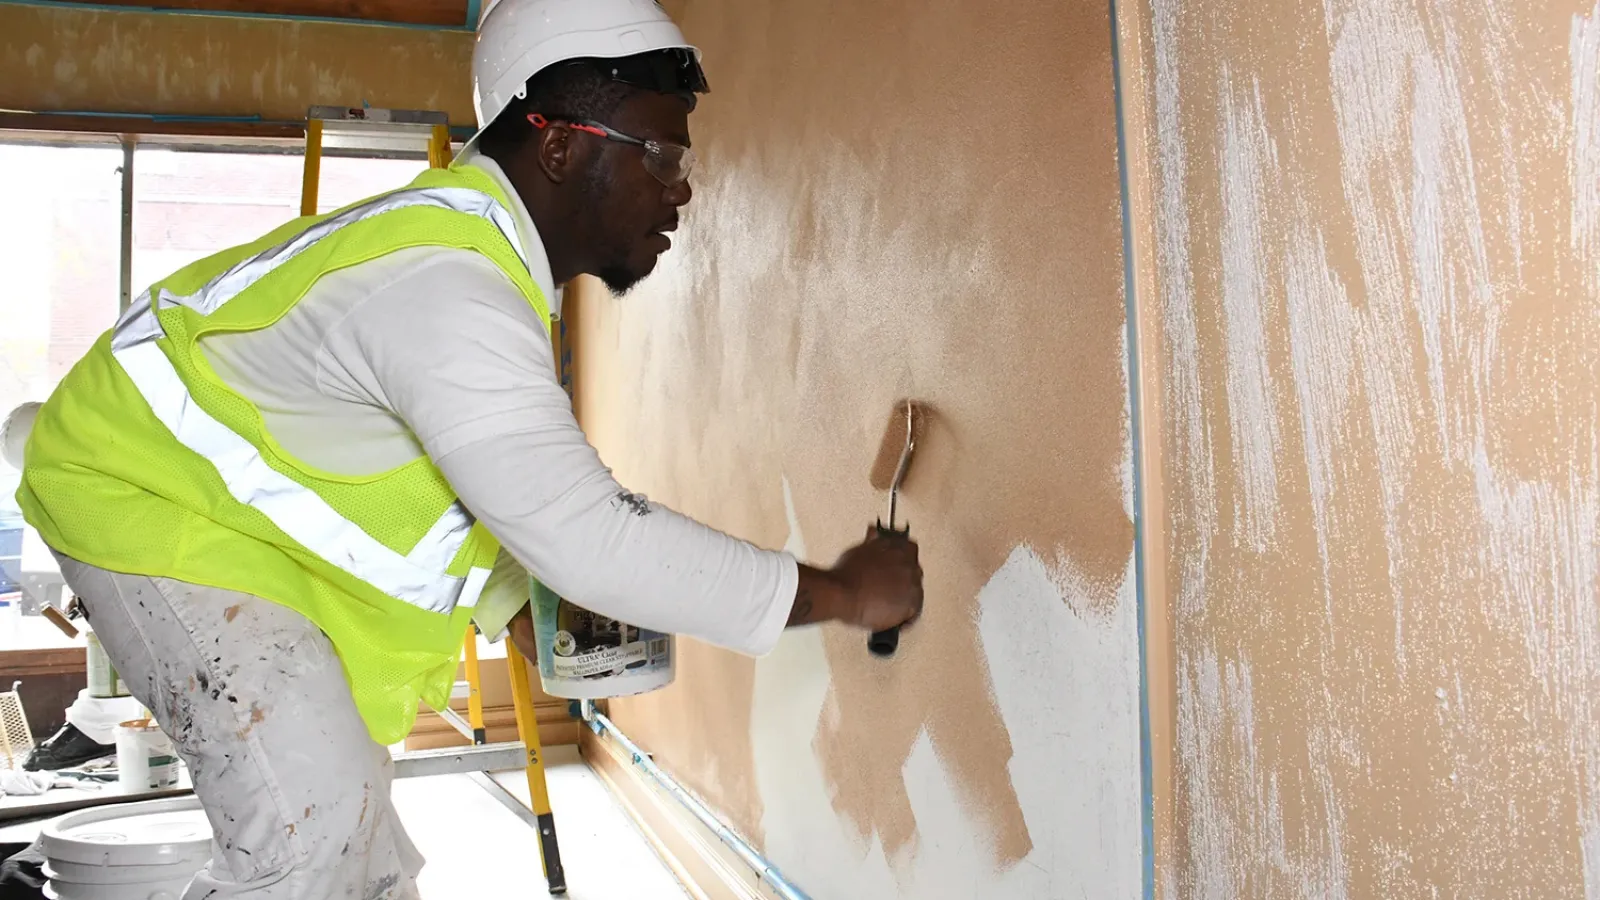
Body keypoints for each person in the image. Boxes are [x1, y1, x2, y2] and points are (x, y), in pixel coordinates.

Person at [8, 0, 924, 896]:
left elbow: (411, 479)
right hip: (136, 496)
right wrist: (844, 591)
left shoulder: (484, 266)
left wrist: (508, 605)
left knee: (355, 845)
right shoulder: (452, 286)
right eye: (661, 152)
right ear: (559, 145)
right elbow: (592, 540)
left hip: (226, 524)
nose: (681, 184)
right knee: (308, 837)